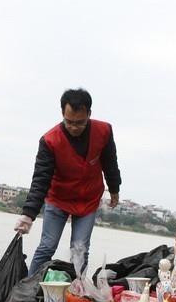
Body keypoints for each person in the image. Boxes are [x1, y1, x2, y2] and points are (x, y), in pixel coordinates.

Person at [15, 88, 121, 277]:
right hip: (59, 198)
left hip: (88, 200)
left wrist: (114, 188)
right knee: (47, 246)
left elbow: (110, 162)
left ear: (89, 114)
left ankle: (76, 289)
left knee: (80, 249)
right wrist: (28, 214)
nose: (73, 127)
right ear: (62, 113)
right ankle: (28, 286)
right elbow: (40, 179)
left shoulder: (103, 131)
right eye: (69, 122)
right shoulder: (50, 140)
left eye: (79, 123)